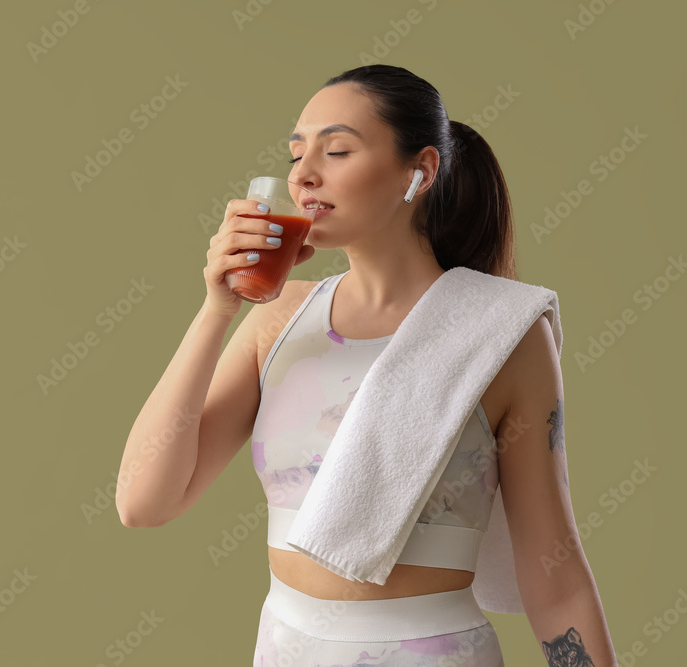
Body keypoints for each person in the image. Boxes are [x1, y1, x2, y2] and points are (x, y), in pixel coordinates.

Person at [116, 65, 616, 666]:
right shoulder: (280, 319)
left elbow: (555, 581)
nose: (303, 174)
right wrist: (217, 310)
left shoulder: (501, 333)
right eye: (297, 152)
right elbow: (143, 502)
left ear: (420, 171)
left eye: (338, 150)